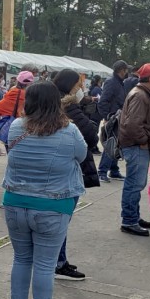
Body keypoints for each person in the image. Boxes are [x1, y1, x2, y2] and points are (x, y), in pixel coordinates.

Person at [2, 82, 85, 299]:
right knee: (45, 265)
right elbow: (81, 156)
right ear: (56, 102)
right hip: (54, 205)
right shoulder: (70, 131)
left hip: (15, 203)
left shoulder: (16, 126)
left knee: (21, 259)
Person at [51, 69, 96, 280]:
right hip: (66, 170)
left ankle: (55, 260)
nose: (81, 89)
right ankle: (57, 263)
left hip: (49, 169)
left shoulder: (48, 103)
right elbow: (89, 135)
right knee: (61, 220)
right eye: (79, 85)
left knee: (56, 221)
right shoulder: (68, 105)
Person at [117, 63, 150, 236]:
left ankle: (133, 217)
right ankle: (129, 220)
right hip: (137, 146)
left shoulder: (143, 94)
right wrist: (144, 140)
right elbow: (132, 125)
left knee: (136, 184)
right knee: (134, 184)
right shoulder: (140, 96)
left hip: (139, 146)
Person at [97, 60, 129, 182]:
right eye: (126, 70)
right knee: (111, 145)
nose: (127, 72)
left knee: (117, 145)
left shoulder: (120, 83)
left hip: (119, 118)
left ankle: (114, 170)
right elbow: (103, 102)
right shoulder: (112, 82)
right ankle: (102, 171)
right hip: (113, 118)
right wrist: (107, 117)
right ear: (122, 70)